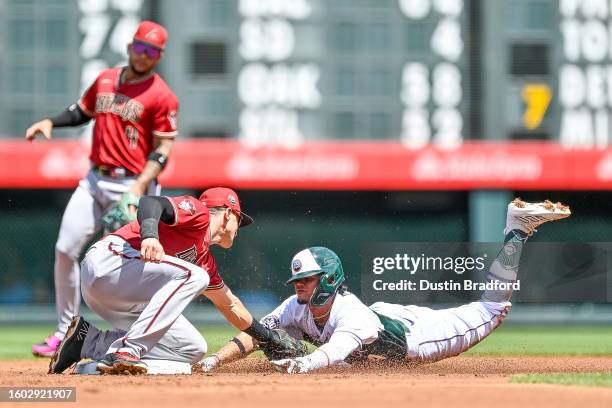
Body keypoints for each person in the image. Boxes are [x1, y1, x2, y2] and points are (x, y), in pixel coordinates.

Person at [195, 199, 571, 374]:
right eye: (297, 281)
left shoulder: (349, 316)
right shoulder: (298, 306)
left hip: (419, 337)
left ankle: (516, 231)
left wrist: (302, 364)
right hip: (387, 316)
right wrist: (216, 358)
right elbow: (257, 333)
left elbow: (335, 351)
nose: (299, 287)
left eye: (306, 280)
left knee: (493, 309)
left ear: (327, 280)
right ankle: (517, 231)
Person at [25, 21, 179, 357]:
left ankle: (142, 338)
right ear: (130, 45)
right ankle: (64, 331)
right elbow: (82, 111)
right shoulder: (106, 78)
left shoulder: (162, 95)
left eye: (152, 51)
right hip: (96, 178)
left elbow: (163, 149)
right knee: (65, 249)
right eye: (140, 47)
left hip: (134, 183)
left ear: (160, 56)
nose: (144, 55)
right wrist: (51, 121)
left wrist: (140, 187)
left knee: (143, 263)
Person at [49, 187, 301, 375]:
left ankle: (87, 342)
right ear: (227, 214)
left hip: (121, 296)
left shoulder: (204, 260)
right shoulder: (199, 214)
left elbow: (230, 305)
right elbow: (150, 202)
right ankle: (127, 351)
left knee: (192, 348)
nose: (239, 228)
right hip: (109, 263)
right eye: (238, 219)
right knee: (195, 275)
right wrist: (149, 236)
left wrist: (266, 336)